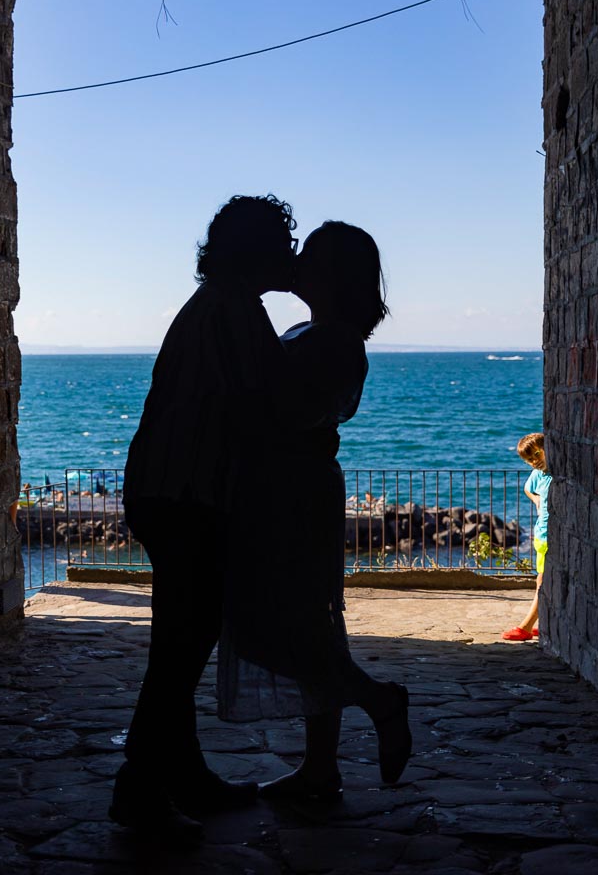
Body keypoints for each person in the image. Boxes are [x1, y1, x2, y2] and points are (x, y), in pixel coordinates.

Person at [110, 194, 299, 844]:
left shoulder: (218, 306)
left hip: (169, 491)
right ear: (259, 252)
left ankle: (183, 775)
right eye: (282, 244)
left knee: (182, 638)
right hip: (190, 496)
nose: (291, 254)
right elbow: (268, 404)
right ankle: (139, 782)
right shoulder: (235, 313)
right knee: (182, 647)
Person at [217, 221, 412, 805]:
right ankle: (320, 768)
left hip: (293, 496)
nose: (297, 260)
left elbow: (290, 409)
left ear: (335, 274)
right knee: (301, 627)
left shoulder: (336, 341)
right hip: (286, 490)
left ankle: (377, 703)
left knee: (287, 626)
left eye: (311, 254)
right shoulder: (314, 331)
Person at [501, 432, 551, 642]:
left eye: (537, 455)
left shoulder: (553, 473)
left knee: (543, 580)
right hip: (542, 534)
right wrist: (537, 499)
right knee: (543, 579)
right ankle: (543, 623)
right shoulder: (539, 475)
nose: (534, 462)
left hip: (549, 536)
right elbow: (527, 489)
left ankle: (526, 626)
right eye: (529, 460)